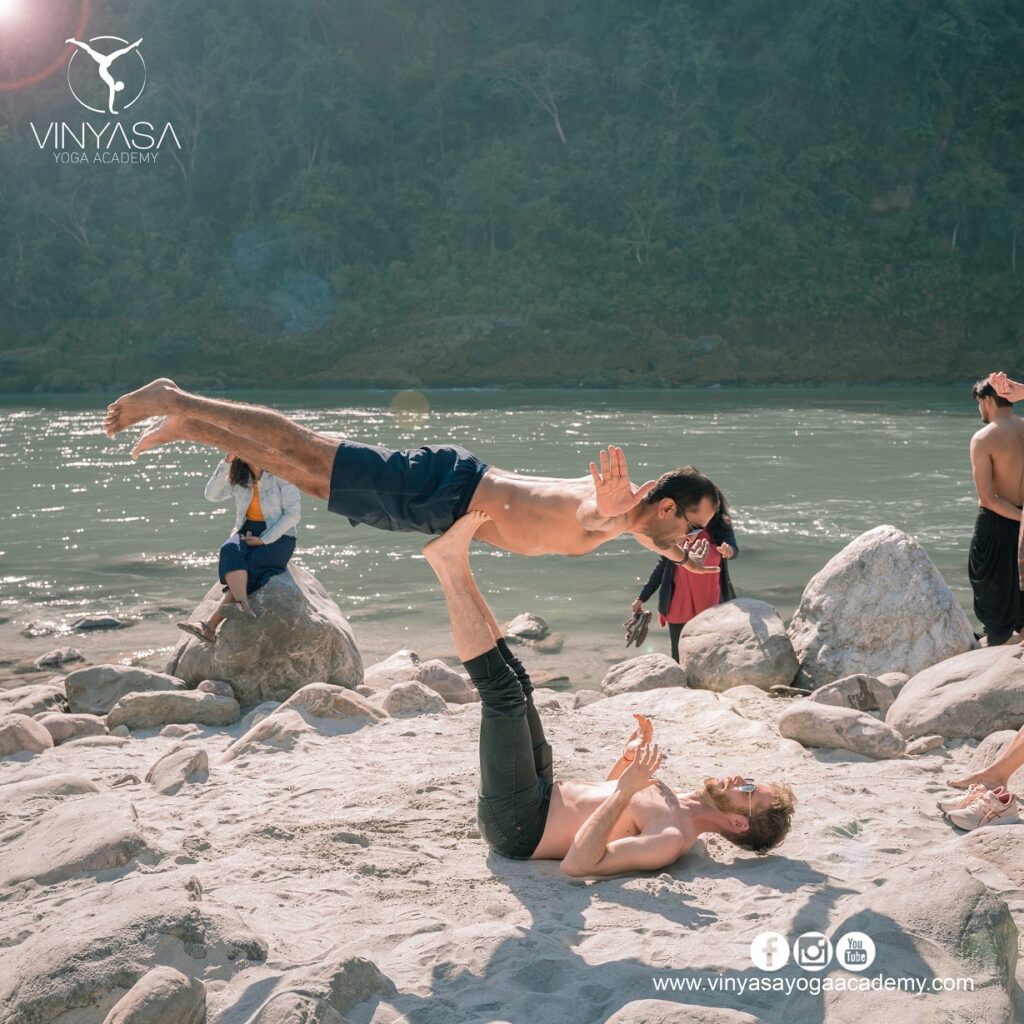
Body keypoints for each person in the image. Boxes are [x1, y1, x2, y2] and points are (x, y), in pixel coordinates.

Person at [421, 509, 796, 876]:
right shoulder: (679, 801)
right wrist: (626, 763)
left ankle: (447, 564)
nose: (739, 778)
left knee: (503, 695)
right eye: (749, 780)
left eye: (748, 790)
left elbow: (579, 864)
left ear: (738, 823)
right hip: (542, 791)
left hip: (519, 825)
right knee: (519, 681)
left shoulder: (670, 838)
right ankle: (456, 565)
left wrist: (625, 790)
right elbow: (603, 801)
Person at [103, 378, 718, 565]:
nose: (692, 539)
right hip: (446, 491)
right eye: (694, 525)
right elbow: (595, 517)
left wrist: (689, 554)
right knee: (307, 450)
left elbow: (654, 540)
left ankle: (192, 427)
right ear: (668, 506)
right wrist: (606, 510)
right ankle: (177, 399)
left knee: (312, 480)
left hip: (443, 498)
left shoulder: (639, 517)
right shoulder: (613, 511)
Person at [177, 454, 300, 643]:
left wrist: (264, 540)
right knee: (229, 549)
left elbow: (293, 515)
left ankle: (210, 626)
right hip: (247, 529)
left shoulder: (282, 474)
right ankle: (243, 605)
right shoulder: (240, 476)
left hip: (280, 536)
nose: (253, 453)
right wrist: (227, 461)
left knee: (252, 564)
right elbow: (212, 495)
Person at [632, 484, 738, 661]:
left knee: (710, 653)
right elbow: (662, 565)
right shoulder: (678, 525)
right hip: (678, 602)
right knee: (679, 653)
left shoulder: (720, 526)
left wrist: (729, 551)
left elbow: (733, 549)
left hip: (712, 603)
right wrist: (642, 598)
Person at [967, 378, 1024, 646]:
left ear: (987, 400)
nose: (980, 409)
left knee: (989, 586)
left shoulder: (983, 438)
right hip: (1022, 524)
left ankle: (995, 642)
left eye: (979, 403)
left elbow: (988, 498)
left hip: (997, 524)